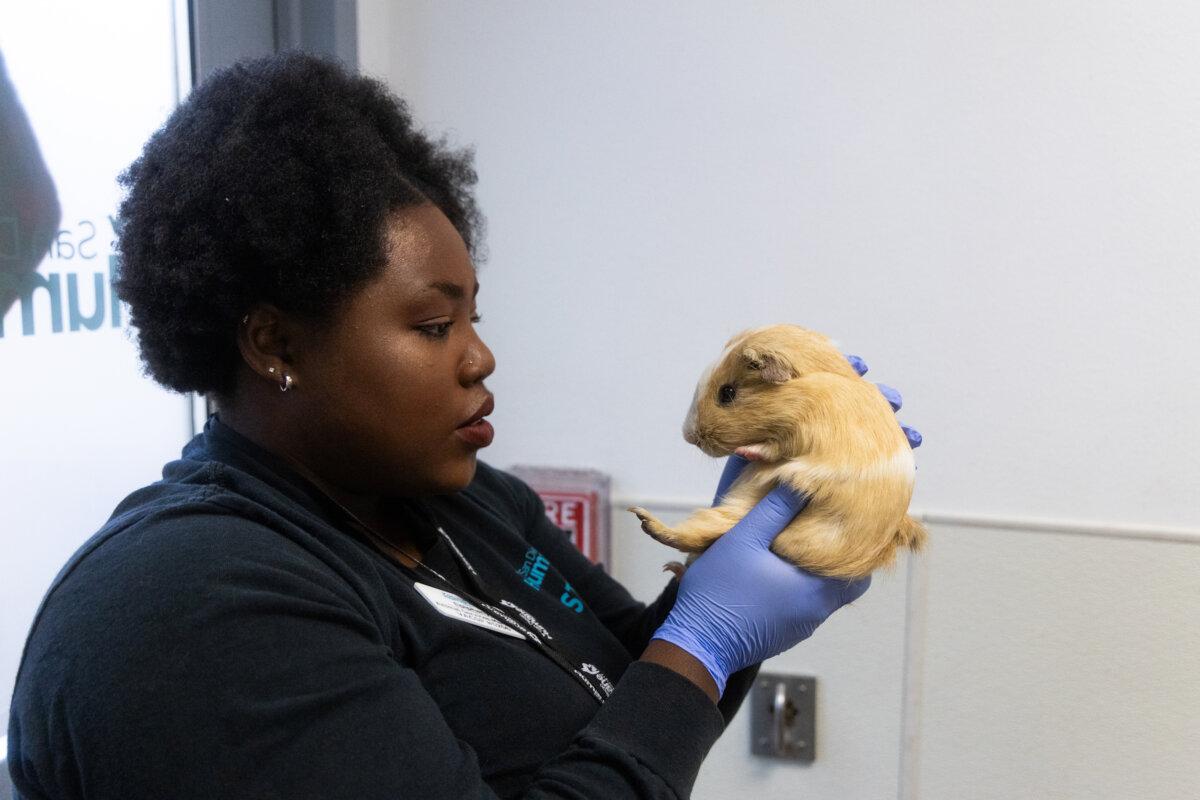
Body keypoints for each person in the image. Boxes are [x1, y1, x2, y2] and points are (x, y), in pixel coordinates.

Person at [6, 53, 908, 799]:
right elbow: (672, 677)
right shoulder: (192, 607)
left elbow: (632, 690)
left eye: (473, 319)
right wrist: (705, 640)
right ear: (275, 341)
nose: (479, 359)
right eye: (434, 327)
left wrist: (754, 548)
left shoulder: (473, 508)